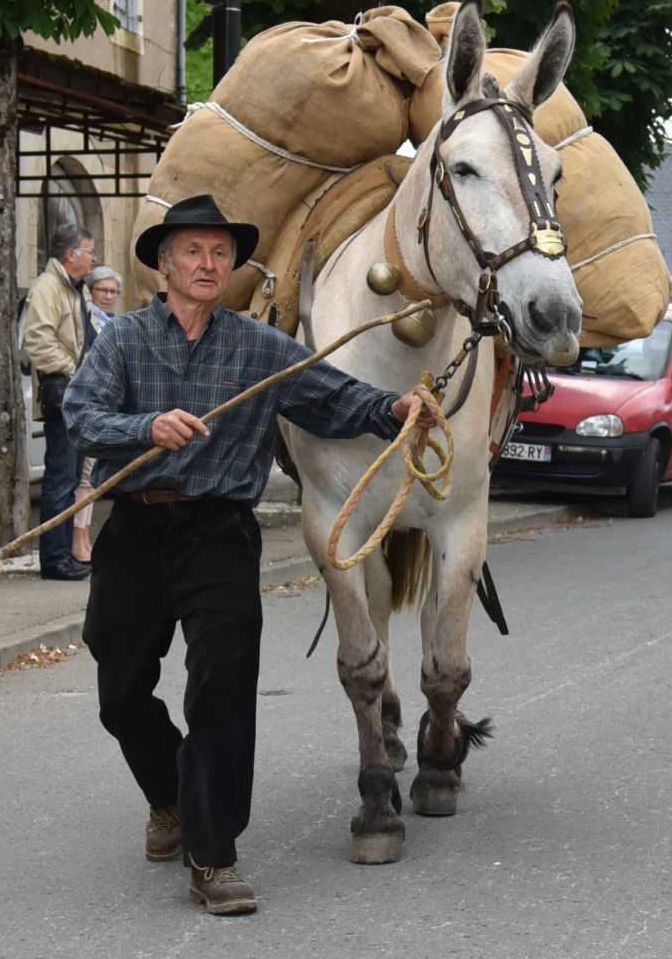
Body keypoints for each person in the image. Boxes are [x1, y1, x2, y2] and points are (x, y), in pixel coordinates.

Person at [64, 194, 436, 917]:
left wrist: (393, 409)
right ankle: (170, 795)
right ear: (164, 267)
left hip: (220, 535)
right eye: (193, 253)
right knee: (120, 693)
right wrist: (147, 428)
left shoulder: (261, 347)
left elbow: (334, 396)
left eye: (220, 254)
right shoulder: (122, 342)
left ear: (232, 268)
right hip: (136, 530)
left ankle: (213, 856)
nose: (209, 265)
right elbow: (83, 417)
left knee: (222, 693)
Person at [23, 222, 96, 581]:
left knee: (68, 481)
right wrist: (76, 372)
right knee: (60, 480)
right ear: (72, 255)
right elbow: (38, 342)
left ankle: (64, 554)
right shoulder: (48, 288)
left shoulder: (71, 289)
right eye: (90, 252)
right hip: (64, 396)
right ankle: (54, 561)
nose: (94, 259)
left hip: (75, 398)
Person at [70, 266, 123, 564]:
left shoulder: (116, 324)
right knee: (85, 477)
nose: (108, 296)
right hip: (88, 405)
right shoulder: (85, 321)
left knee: (93, 479)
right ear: (91, 292)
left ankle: (86, 536)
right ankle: (79, 540)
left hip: (109, 407)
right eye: (102, 290)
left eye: (113, 291)